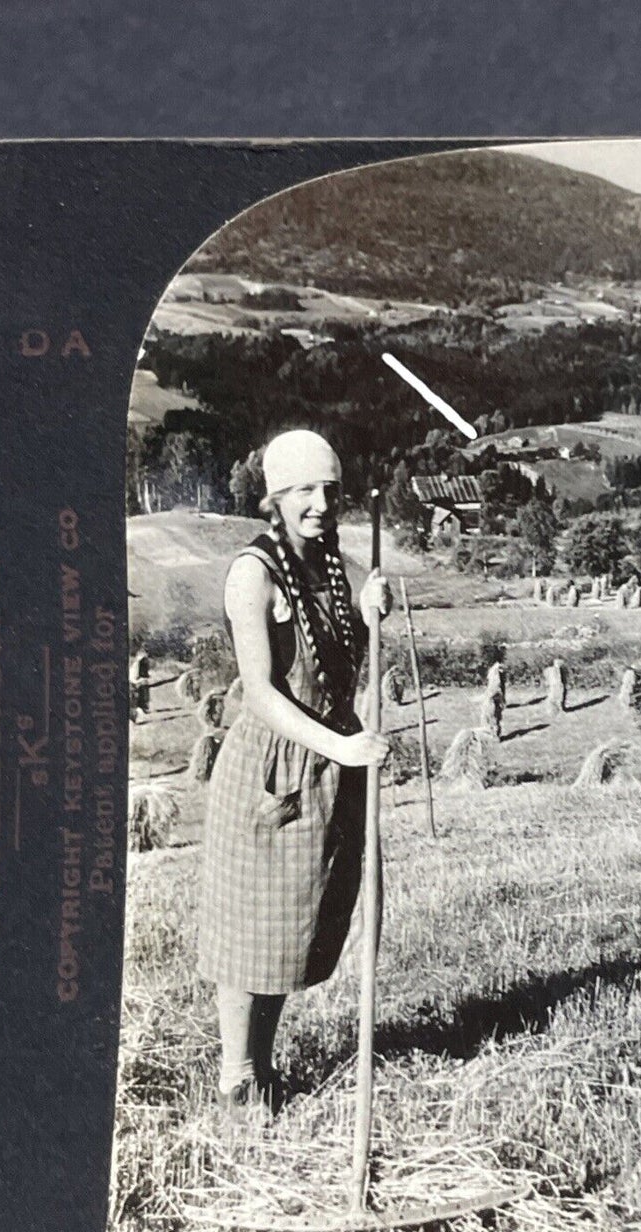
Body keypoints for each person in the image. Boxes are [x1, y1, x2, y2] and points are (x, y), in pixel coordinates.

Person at [196, 429, 390, 1112]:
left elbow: (338, 654)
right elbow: (261, 693)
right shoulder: (254, 574)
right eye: (304, 490)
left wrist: (367, 613)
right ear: (272, 497)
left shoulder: (328, 565)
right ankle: (234, 1081)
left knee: (291, 929)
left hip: (325, 769)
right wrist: (339, 748)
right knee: (249, 936)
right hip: (269, 774)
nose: (320, 503)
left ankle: (264, 1068)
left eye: (330, 489)